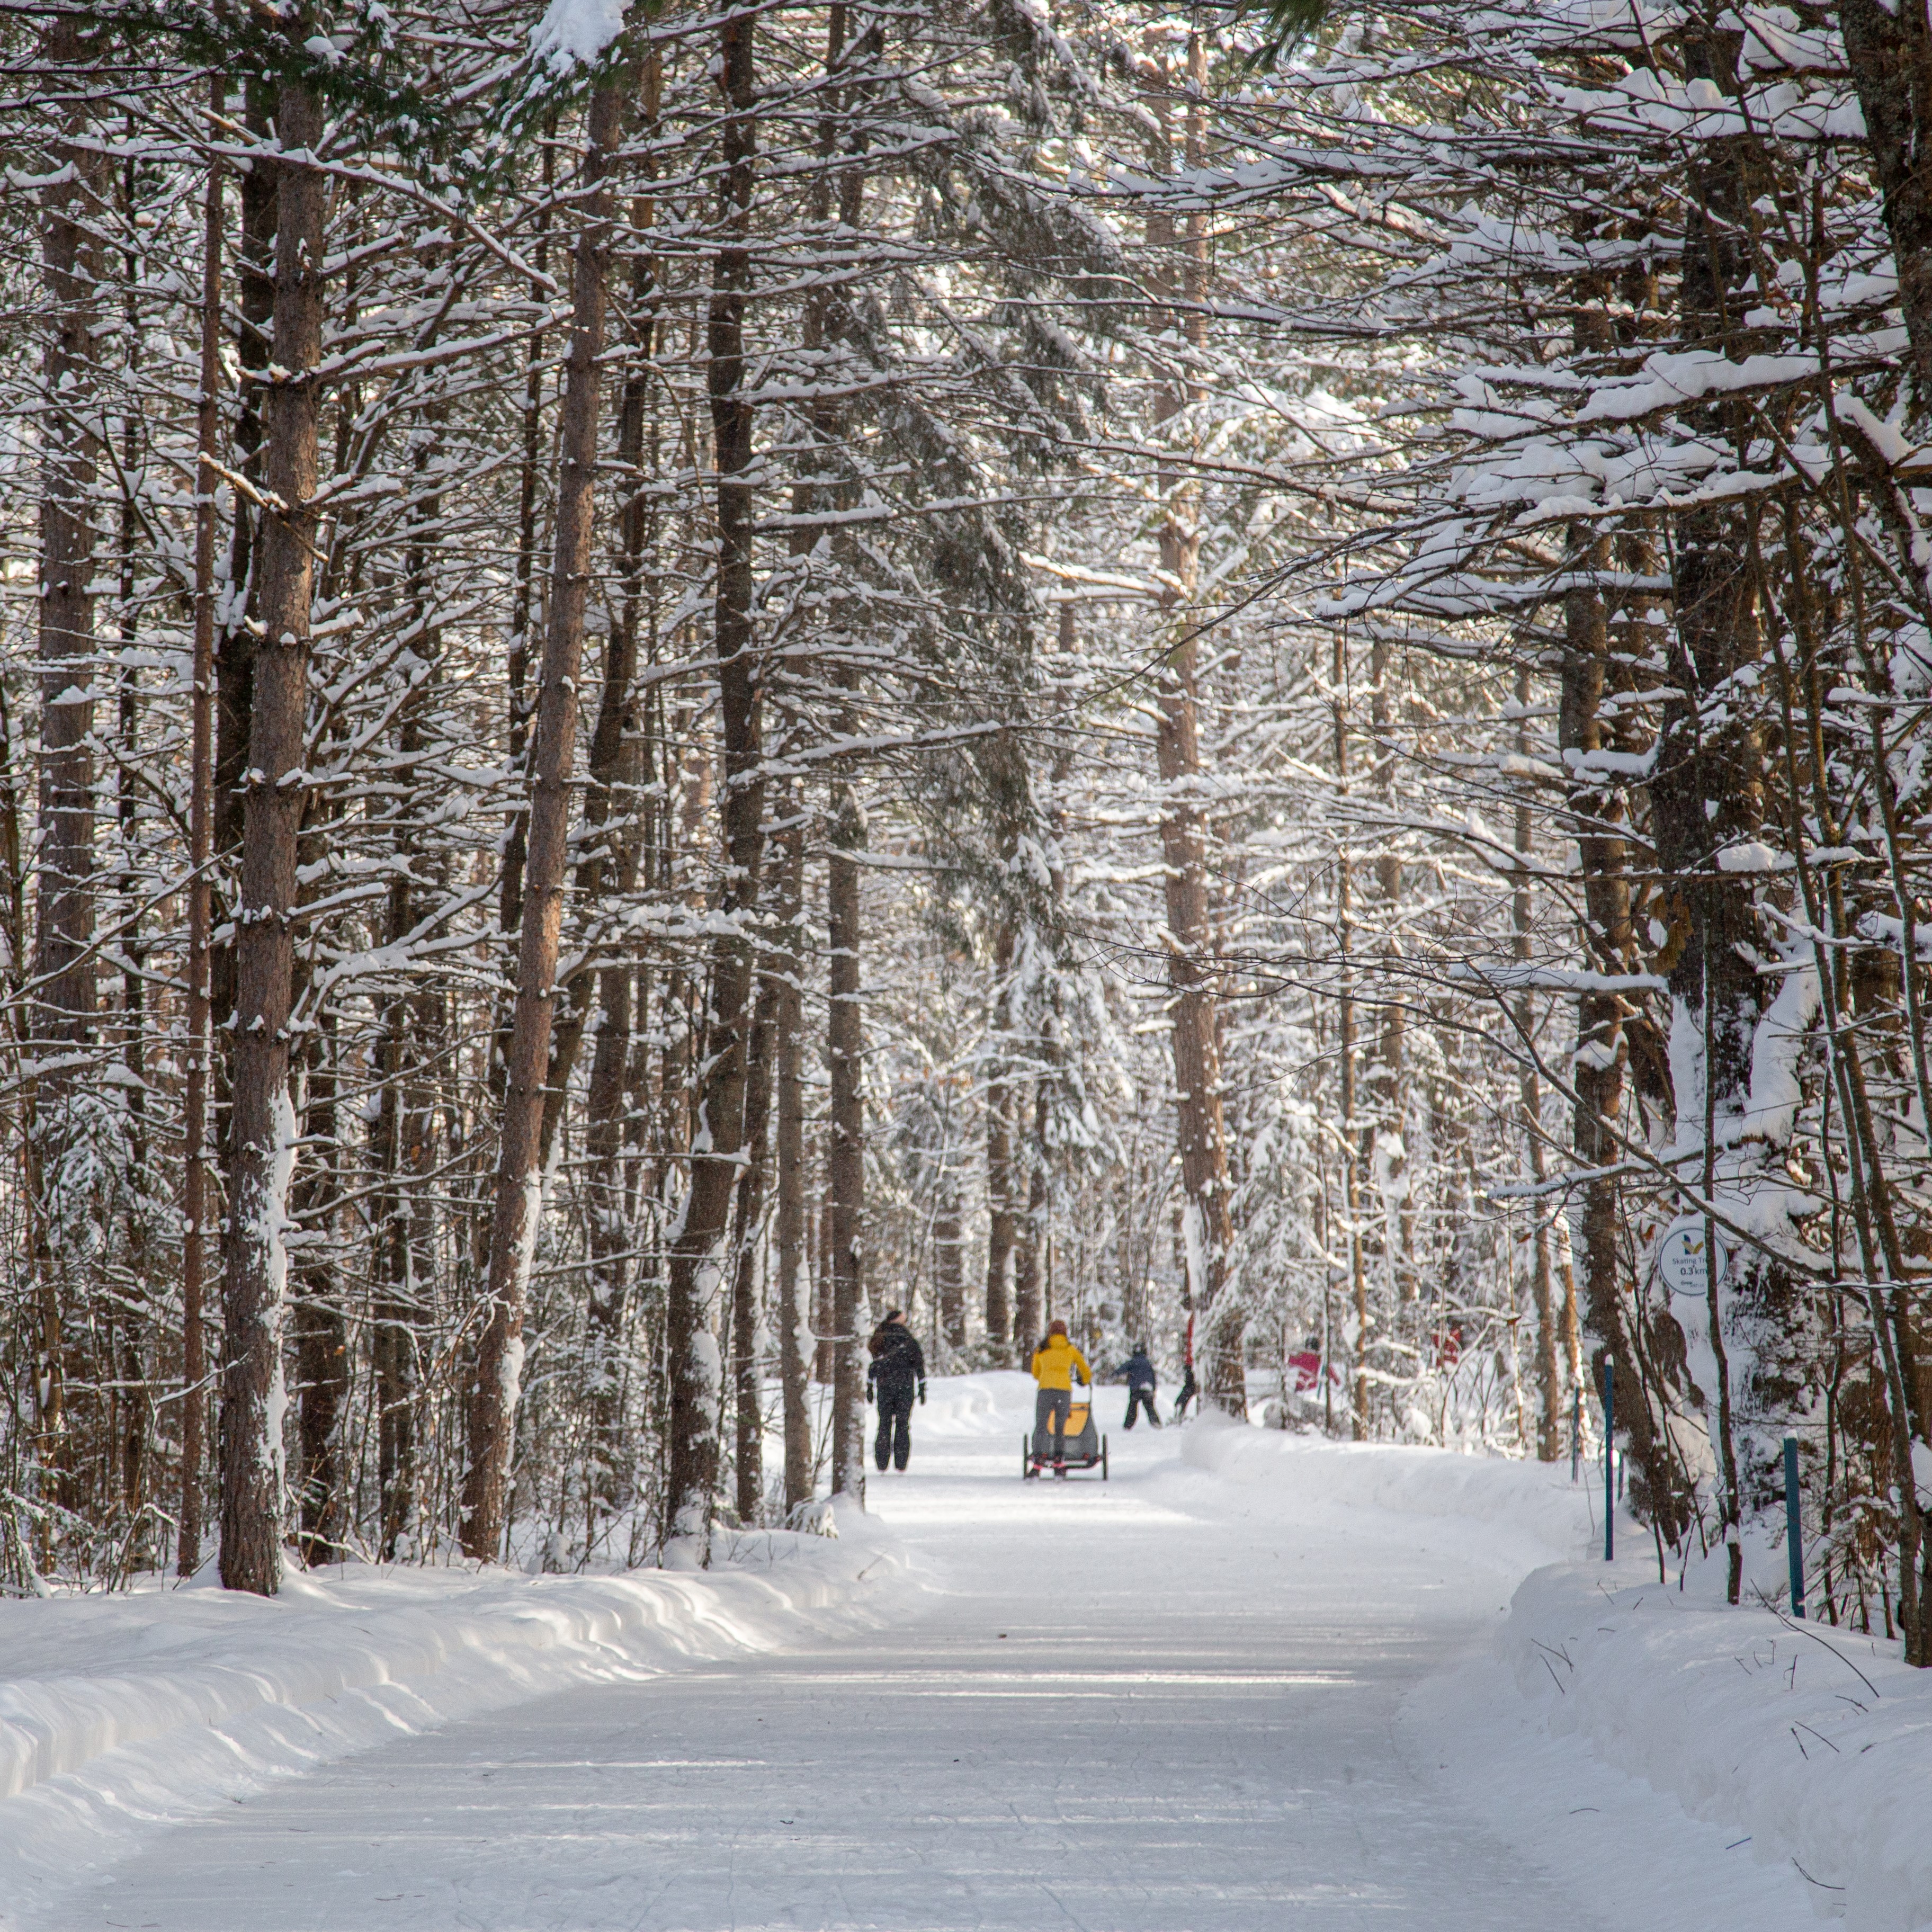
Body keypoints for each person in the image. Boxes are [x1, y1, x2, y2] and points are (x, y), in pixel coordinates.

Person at [865, 1309, 926, 1472]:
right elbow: (919, 1364)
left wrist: (870, 1386)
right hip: (905, 1387)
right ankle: (900, 1463)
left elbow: (873, 1365)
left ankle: (882, 1463)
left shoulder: (879, 1339)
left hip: (884, 1386)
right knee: (903, 1425)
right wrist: (922, 1387)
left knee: (884, 1424)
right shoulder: (909, 1340)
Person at [1029, 1318, 1092, 1471]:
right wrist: (1083, 1381)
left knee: (1042, 1425)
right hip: (1063, 1392)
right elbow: (1086, 1372)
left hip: (1045, 1390)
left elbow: (1035, 1373)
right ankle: (1059, 1459)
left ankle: (1038, 1459)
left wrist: (1046, 1375)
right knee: (1060, 1427)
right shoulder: (1070, 1349)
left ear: (1050, 1332)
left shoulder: (1042, 1349)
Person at [1120, 1345, 1160, 1429]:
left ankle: (1128, 1425)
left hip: (1136, 1388)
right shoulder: (1148, 1363)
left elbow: (1122, 1369)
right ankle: (1156, 1423)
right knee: (1150, 1406)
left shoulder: (1132, 1362)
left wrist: (1113, 1374)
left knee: (1133, 1407)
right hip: (1147, 1388)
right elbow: (1153, 1377)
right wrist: (1153, 1389)